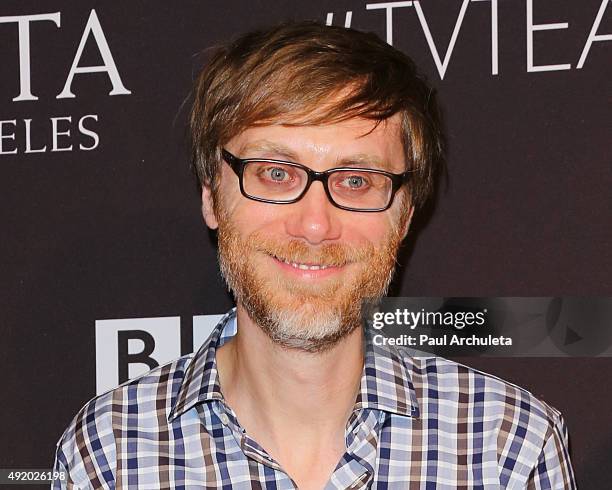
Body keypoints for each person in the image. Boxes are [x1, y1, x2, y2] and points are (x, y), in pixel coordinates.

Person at [52, 21, 576, 489]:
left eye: (356, 180)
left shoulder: (508, 448)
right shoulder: (111, 454)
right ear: (212, 195)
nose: (315, 224)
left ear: (406, 214)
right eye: (276, 173)